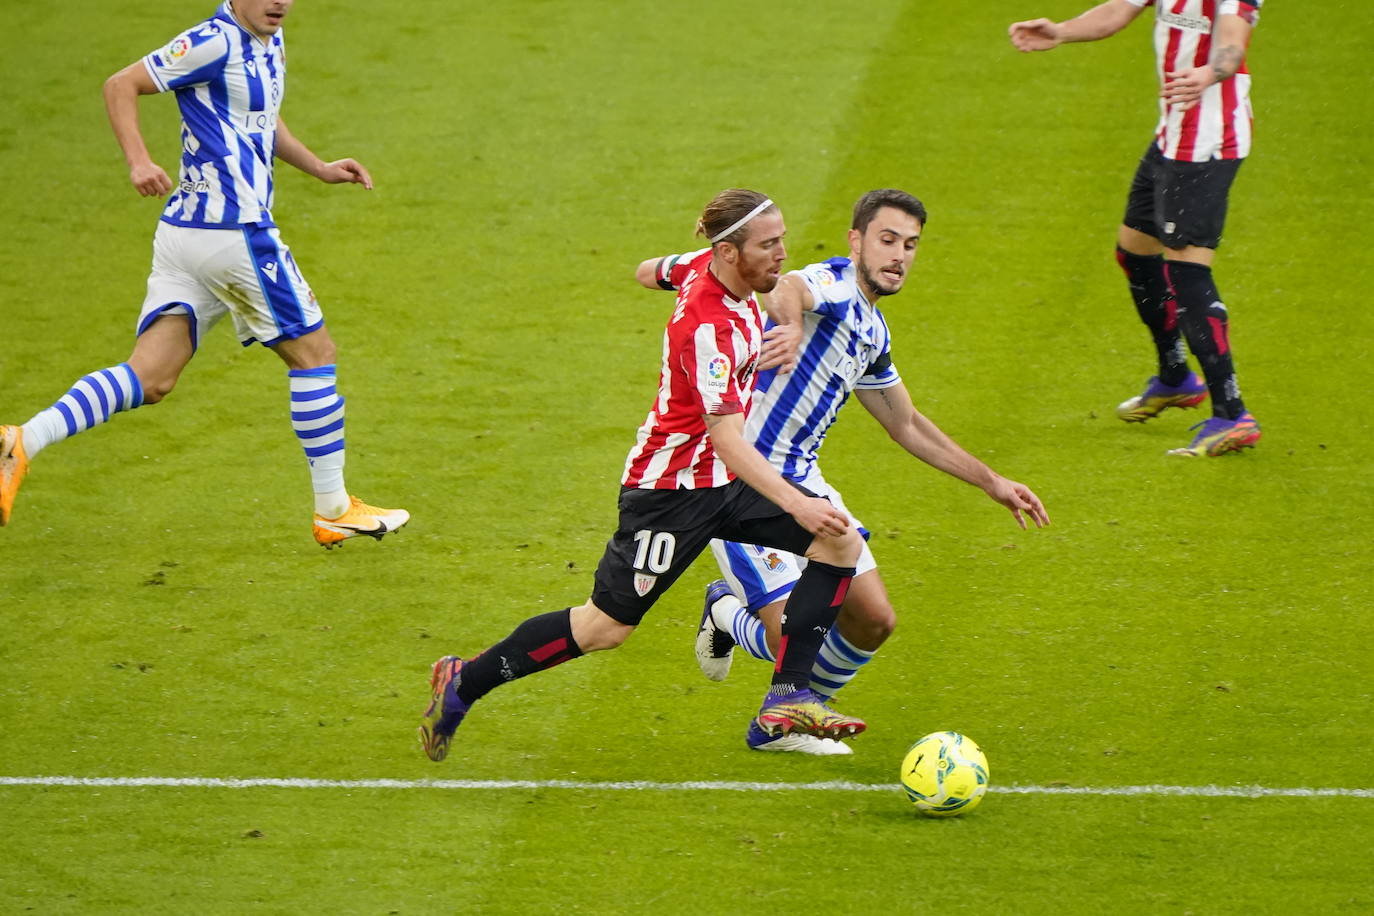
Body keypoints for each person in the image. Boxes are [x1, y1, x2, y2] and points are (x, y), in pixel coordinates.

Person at [418, 189, 869, 763]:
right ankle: (463, 680)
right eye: (769, 244)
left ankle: (788, 697)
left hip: (720, 483)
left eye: (782, 239)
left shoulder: (704, 267)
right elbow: (729, 440)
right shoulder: (713, 331)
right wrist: (798, 504)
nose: (783, 254)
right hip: (671, 495)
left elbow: (647, 271)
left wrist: (673, 276)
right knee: (605, 628)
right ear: (730, 253)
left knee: (839, 541)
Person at [0, 0, 408, 546]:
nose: (279, 2)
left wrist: (318, 167)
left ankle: (20, 439)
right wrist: (138, 161)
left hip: (185, 236)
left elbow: (260, 117)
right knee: (315, 353)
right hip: (232, 233)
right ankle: (333, 507)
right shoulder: (212, 41)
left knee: (151, 377)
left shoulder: (268, 39)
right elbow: (120, 84)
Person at [690, 190, 1050, 755]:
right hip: (744, 481)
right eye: (887, 240)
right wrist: (784, 327)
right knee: (793, 633)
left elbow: (905, 424)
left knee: (873, 622)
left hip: (805, 480)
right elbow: (789, 288)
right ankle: (732, 619)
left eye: (910, 245)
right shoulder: (832, 285)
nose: (899, 255)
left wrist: (991, 482)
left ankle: (783, 718)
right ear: (856, 240)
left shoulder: (872, 332)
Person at [1008, 0, 1264, 457]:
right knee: (1135, 251)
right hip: (1172, 131)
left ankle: (1232, 413)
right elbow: (1119, 9)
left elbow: (1231, 40)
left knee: (1187, 273)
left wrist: (1210, 73)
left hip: (1206, 141)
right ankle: (1175, 377)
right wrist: (1062, 31)